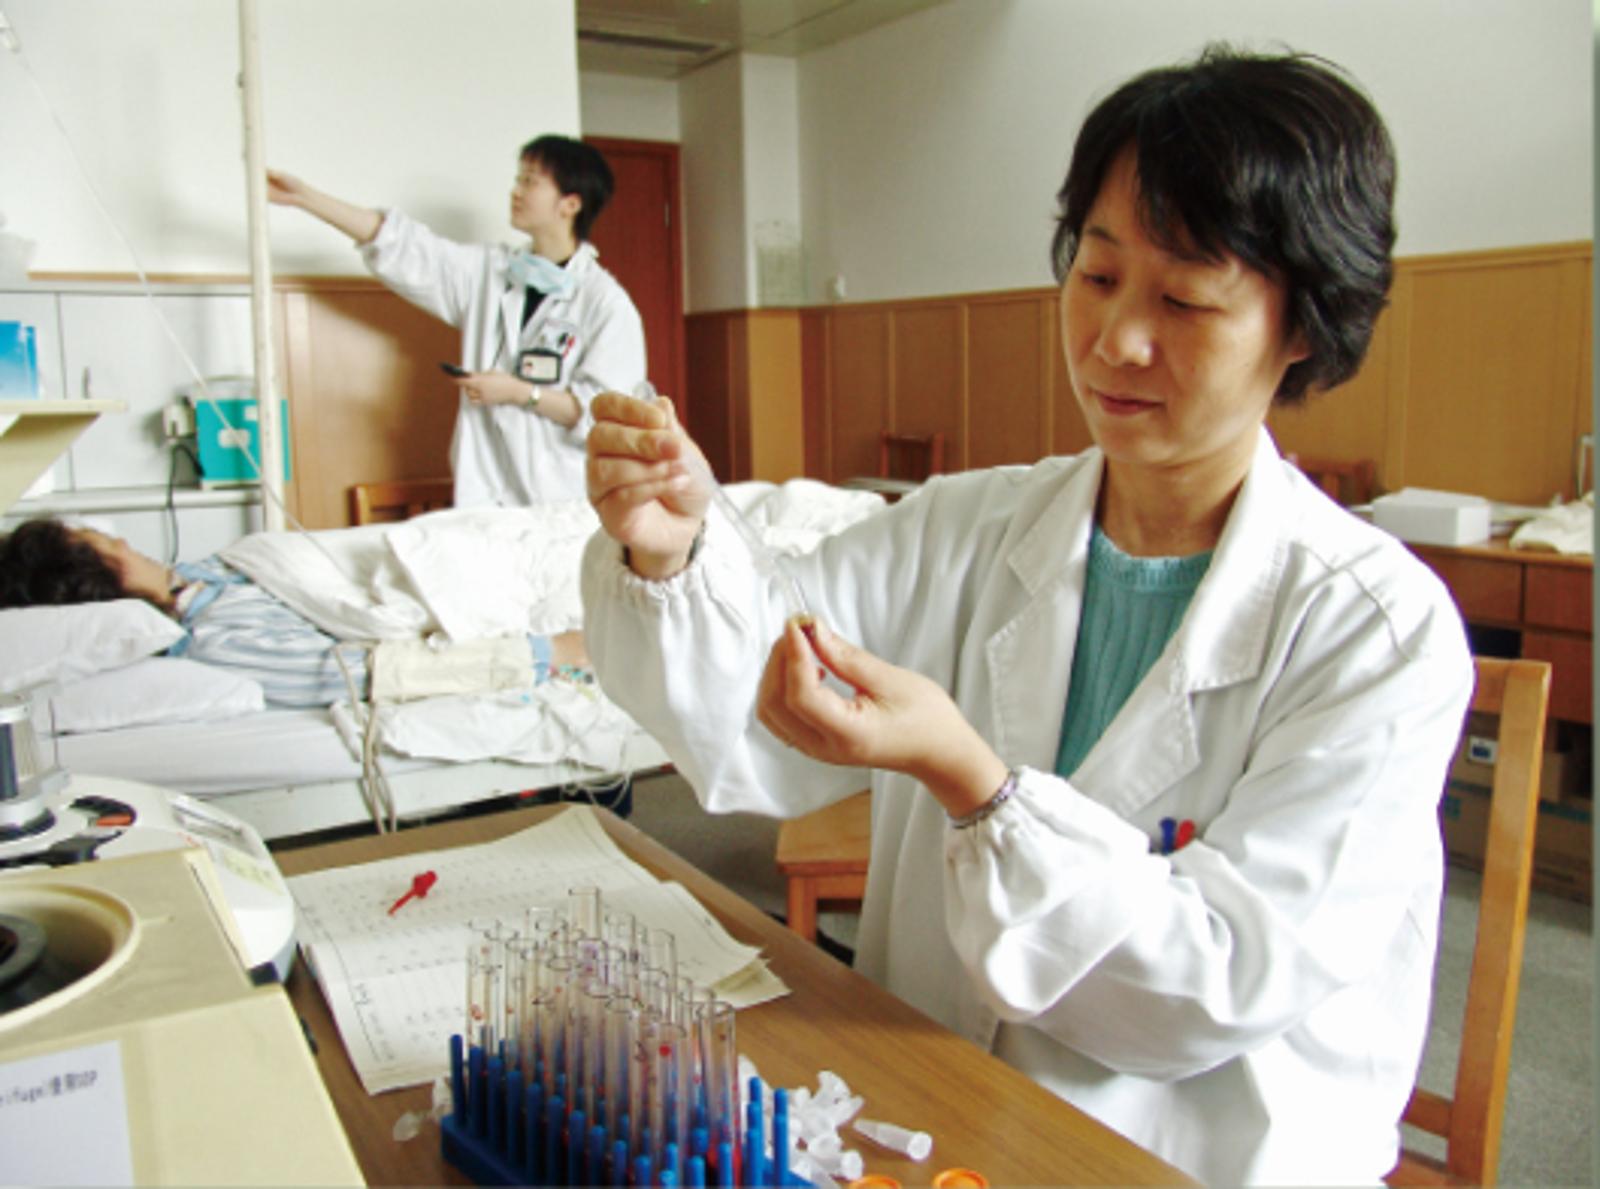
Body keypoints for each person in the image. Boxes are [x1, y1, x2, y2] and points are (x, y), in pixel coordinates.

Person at [579, 45, 1474, 1186]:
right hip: (934, 1109)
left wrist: (973, 784)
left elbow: (1211, 984)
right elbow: (758, 677)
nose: (1116, 341)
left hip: (1196, 1155)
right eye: (1097, 276)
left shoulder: (1374, 631)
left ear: (1302, 326)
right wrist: (672, 551)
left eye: (1183, 299)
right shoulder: (968, 528)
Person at [268, 135, 647, 508]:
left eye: (530, 181)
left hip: (562, 501)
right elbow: (402, 245)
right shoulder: (489, 272)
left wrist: (521, 394)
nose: (515, 191)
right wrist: (306, 198)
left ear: (570, 204)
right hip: (483, 496)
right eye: (518, 179)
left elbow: (606, 415)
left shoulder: (605, 304)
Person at [0, 517, 590, 709]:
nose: (125, 542)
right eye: (107, 545)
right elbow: (368, 672)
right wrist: (550, 651)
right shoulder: (218, 636)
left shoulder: (209, 573)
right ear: (99, 583)